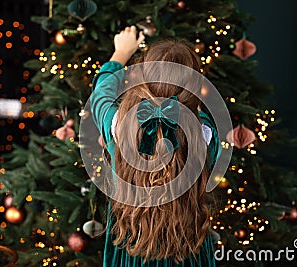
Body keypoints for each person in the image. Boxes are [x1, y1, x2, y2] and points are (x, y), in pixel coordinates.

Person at [90, 25, 220, 267]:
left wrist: (121, 54)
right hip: (189, 253)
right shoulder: (206, 136)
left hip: (129, 252)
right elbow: (199, 114)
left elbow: (101, 93)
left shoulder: (117, 126)